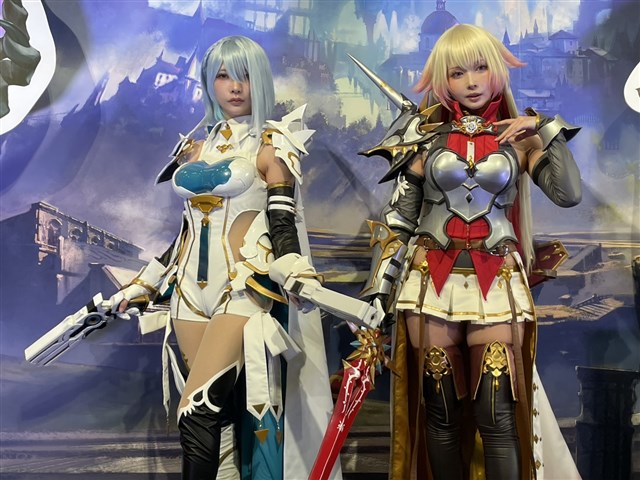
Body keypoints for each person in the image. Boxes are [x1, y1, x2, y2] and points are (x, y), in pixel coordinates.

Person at [357, 24, 582, 479]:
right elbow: (399, 221)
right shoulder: (423, 137)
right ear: (442, 80)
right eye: (458, 73)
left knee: (496, 416)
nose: (472, 82)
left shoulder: (520, 138)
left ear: (498, 70)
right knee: (440, 415)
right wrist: (375, 297)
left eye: (481, 68)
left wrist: (544, 126)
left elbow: (568, 193)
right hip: (429, 282)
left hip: (496, 280)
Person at [108, 35, 338, 480]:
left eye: (245, 76)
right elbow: (184, 233)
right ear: (208, 82)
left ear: (261, 81)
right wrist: (146, 283)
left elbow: (283, 225)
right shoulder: (195, 149)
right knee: (223, 411)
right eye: (223, 75)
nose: (235, 86)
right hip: (188, 294)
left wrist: (296, 270)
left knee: (196, 408)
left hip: (243, 290)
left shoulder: (272, 147)